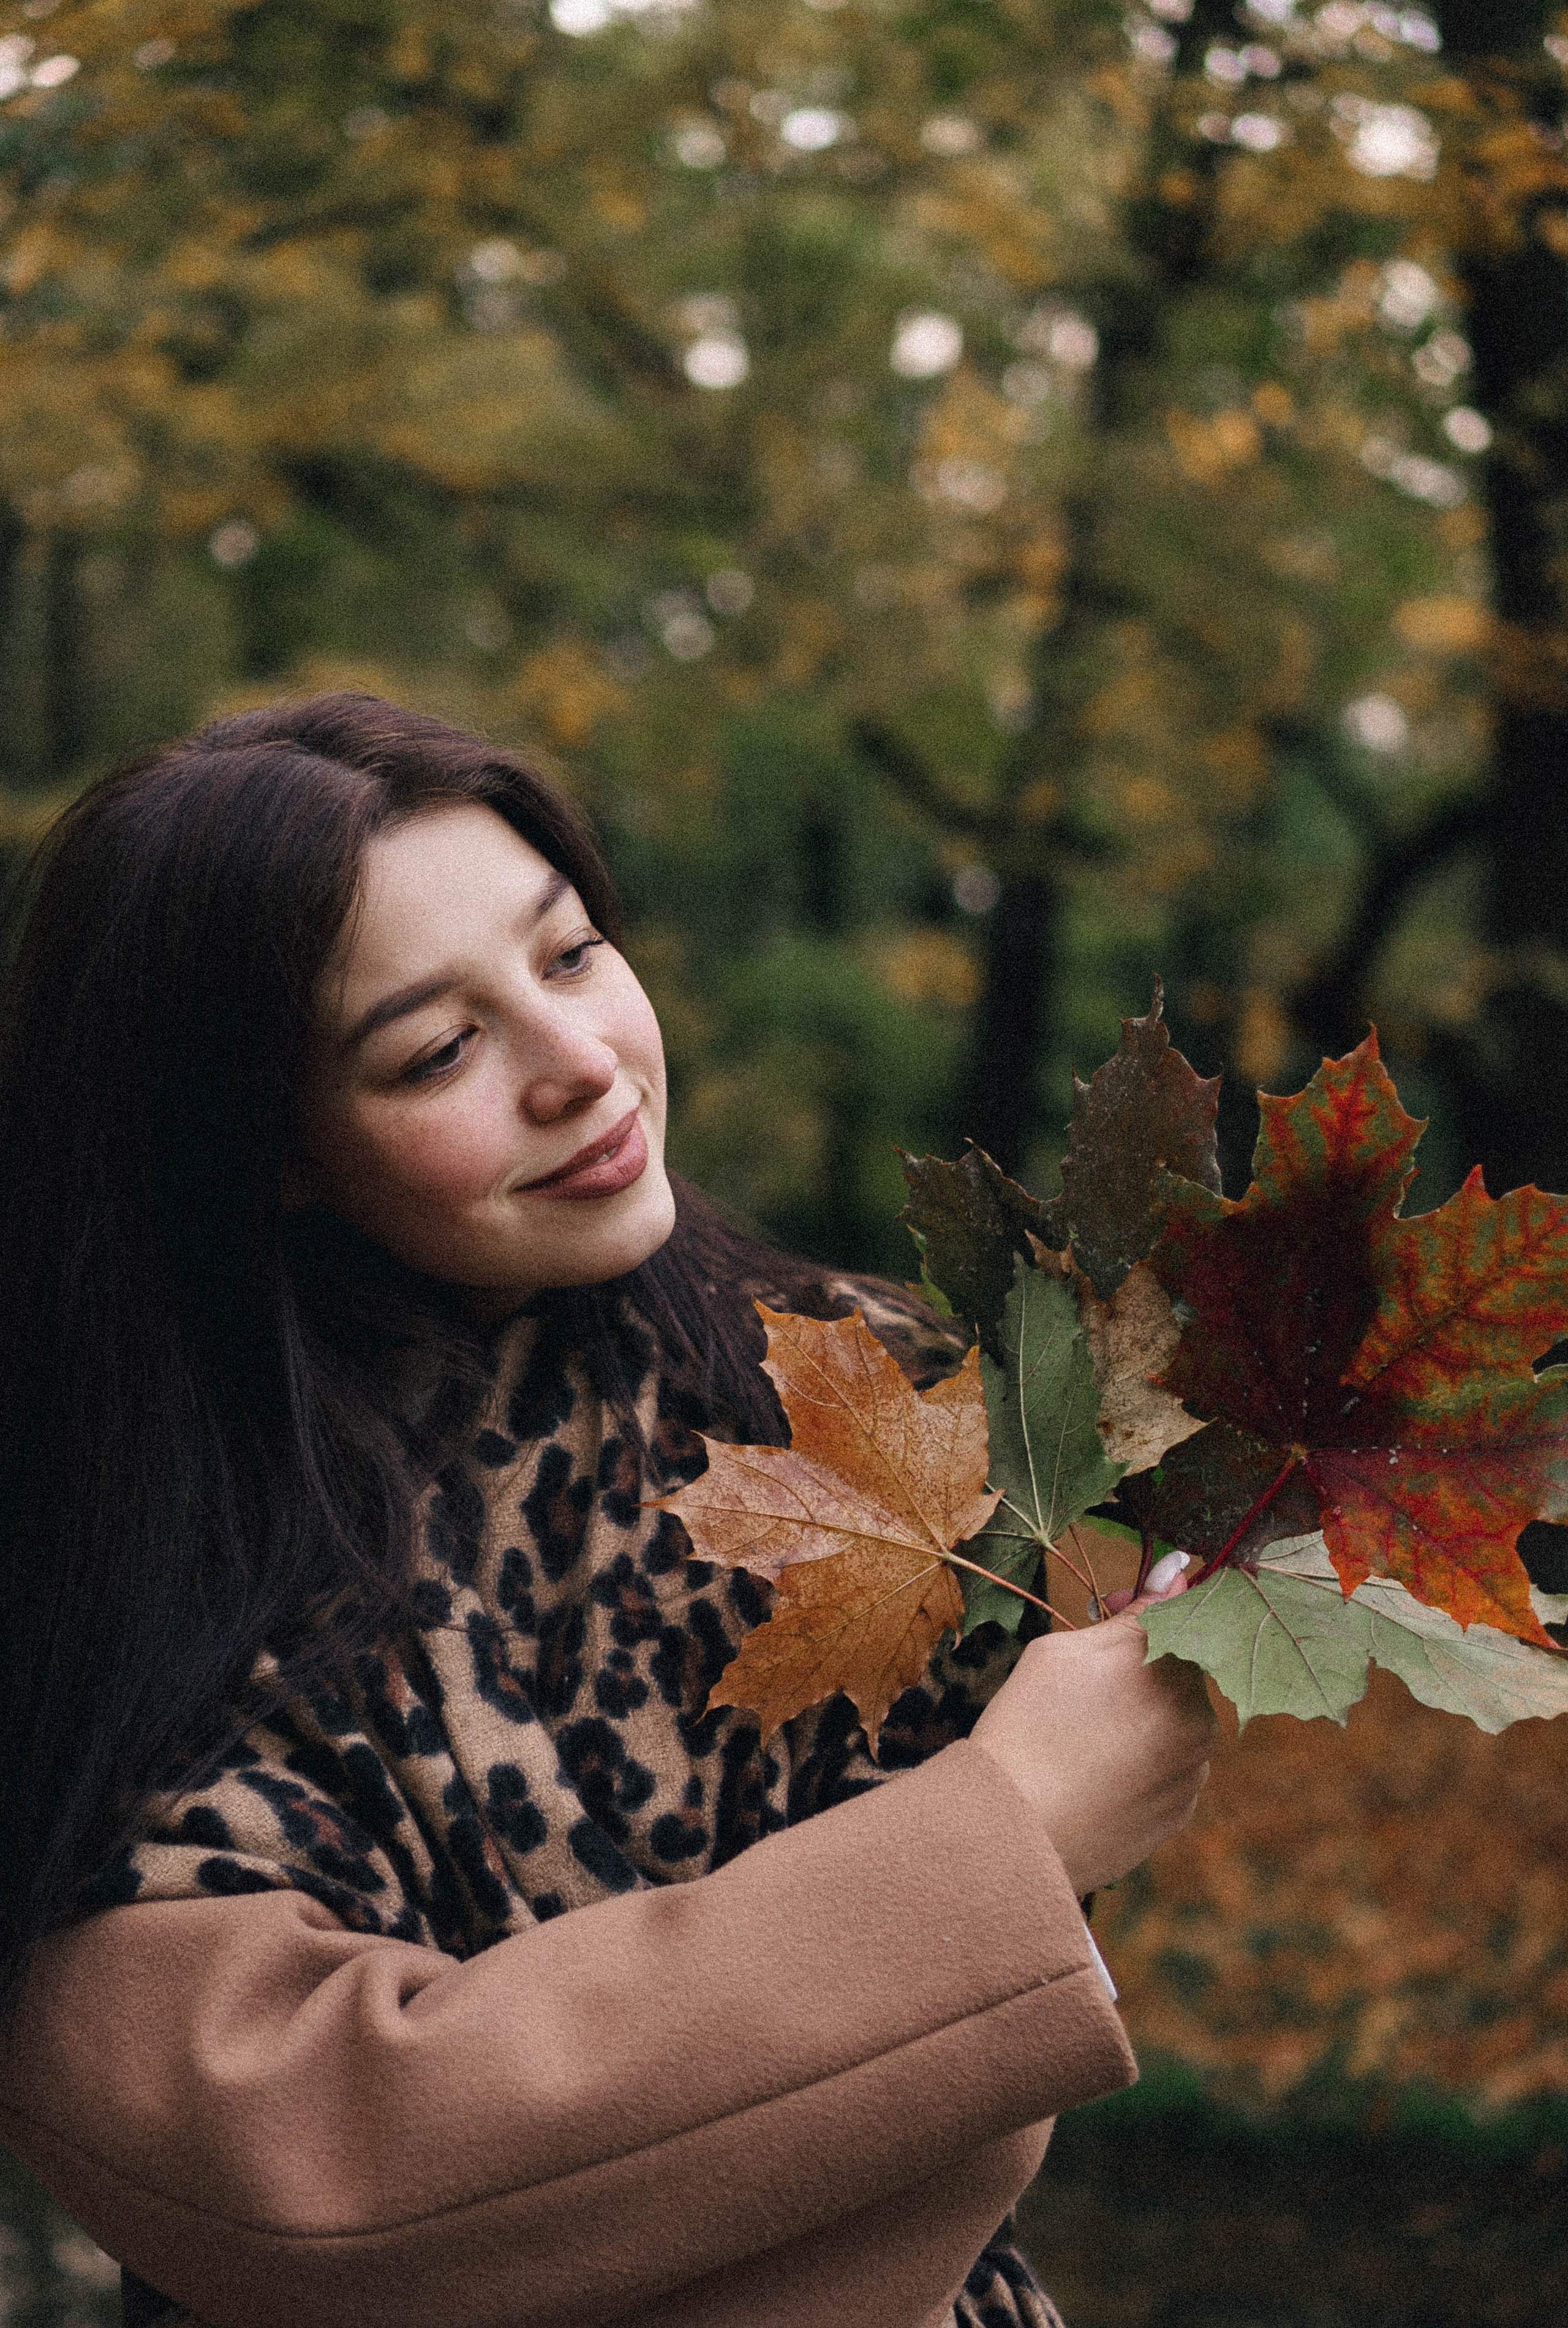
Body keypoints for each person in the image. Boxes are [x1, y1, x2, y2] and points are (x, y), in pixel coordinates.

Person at [0, 693, 1216, 2328]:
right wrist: (1009, 1837)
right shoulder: (129, 1587)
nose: (579, 1064)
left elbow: (963, 2133)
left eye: (570, 956)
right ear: (263, 1150)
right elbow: (322, 2184)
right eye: (439, 1049)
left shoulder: (872, 1404)